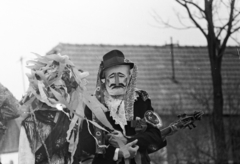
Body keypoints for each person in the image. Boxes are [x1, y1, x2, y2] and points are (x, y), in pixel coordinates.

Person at [74, 50, 167, 164]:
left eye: (121, 75)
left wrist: (128, 140)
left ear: (129, 76)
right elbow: (86, 142)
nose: (117, 81)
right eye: (112, 76)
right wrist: (118, 152)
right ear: (104, 78)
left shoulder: (141, 101)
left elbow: (155, 136)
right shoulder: (93, 104)